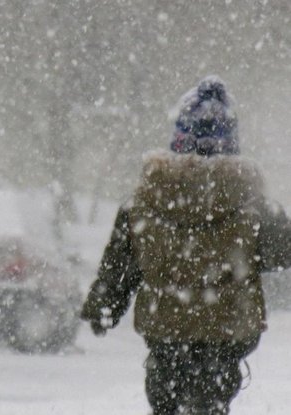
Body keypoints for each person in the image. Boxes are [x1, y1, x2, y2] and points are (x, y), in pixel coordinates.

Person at [80, 75, 291, 415]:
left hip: (165, 329)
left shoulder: (143, 202)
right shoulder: (254, 206)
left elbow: (121, 264)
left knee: (166, 397)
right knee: (212, 400)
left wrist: (105, 306)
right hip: (228, 331)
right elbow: (281, 256)